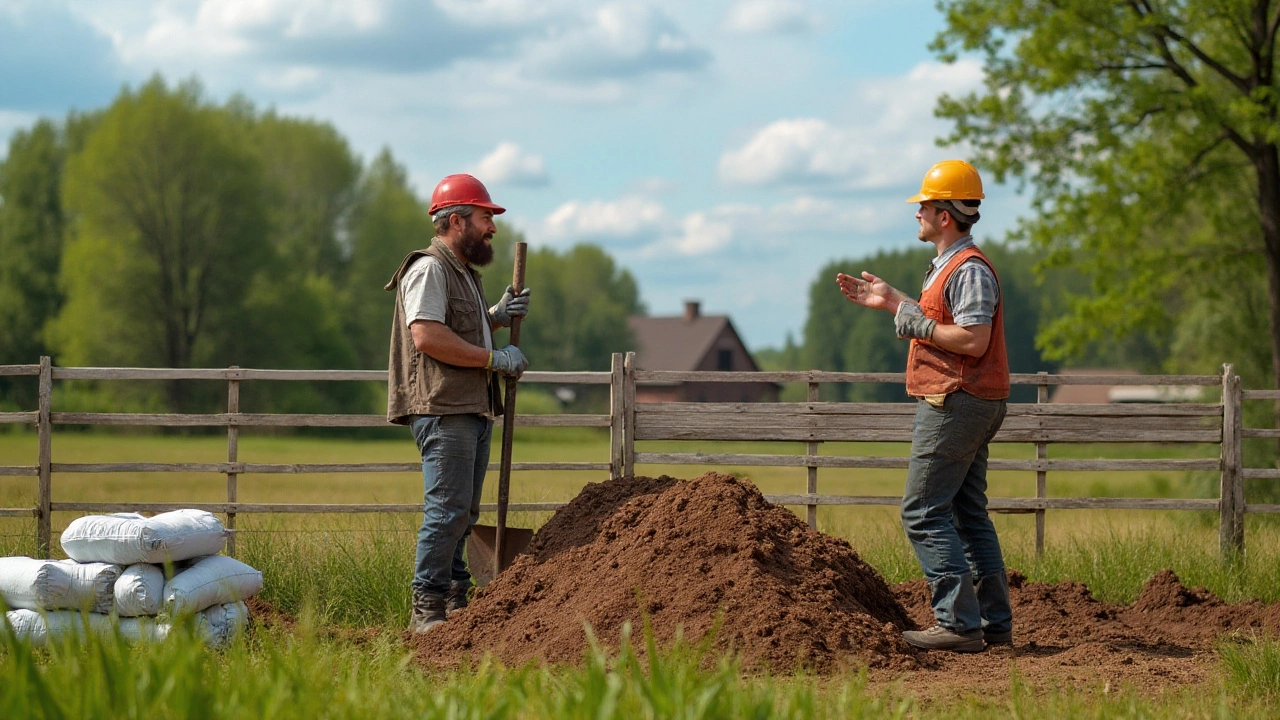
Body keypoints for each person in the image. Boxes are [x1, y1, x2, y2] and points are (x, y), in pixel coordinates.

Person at [836, 159, 1012, 653]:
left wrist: (913, 323)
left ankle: (957, 624)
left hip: (956, 400)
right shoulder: (951, 267)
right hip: (968, 398)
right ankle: (992, 624)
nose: (917, 213)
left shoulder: (969, 270)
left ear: (945, 215)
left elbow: (972, 341)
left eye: (924, 206)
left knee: (921, 512)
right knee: (967, 513)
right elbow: (947, 325)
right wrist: (893, 302)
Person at [384, 173, 532, 634]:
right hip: (443, 407)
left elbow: (457, 326)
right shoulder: (429, 268)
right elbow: (427, 336)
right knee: (447, 510)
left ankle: (454, 599)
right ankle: (426, 608)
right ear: (456, 220)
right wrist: (494, 357)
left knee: (464, 512)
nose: (492, 227)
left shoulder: (462, 272)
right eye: (486, 217)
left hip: (470, 406)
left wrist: (494, 319)